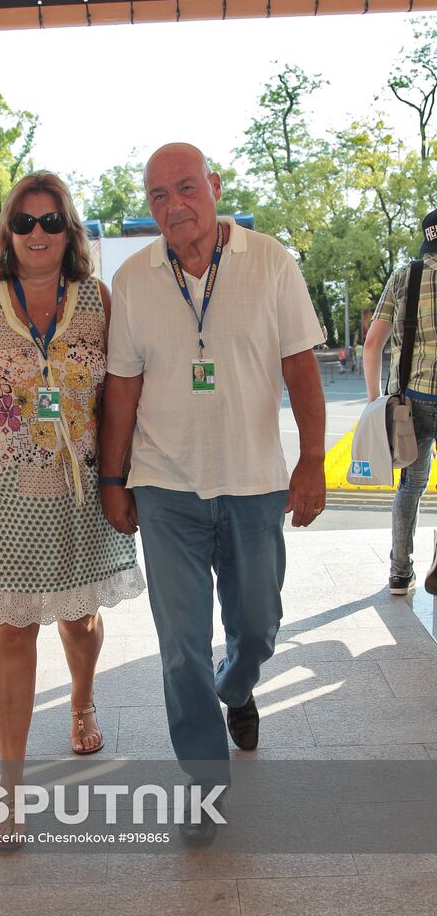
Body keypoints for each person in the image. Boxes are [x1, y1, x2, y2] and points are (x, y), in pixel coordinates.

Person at [100, 143, 325, 843]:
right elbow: (122, 391)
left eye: (186, 188)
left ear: (215, 187)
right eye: (158, 195)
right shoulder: (135, 279)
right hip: (165, 487)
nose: (174, 206)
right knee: (179, 647)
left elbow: (300, 367)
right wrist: (114, 479)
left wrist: (312, 460)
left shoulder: (271, 262)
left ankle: (239, 685)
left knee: (257, 627)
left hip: (255, 484)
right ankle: (203, 786)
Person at [0, 171, 144, 847]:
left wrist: (121, 477)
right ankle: (11, 783)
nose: (36, 234)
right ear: (8, 230)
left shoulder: (97, 299)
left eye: (51, 222)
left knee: (79, 619)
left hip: (79, 485)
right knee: (10, 627)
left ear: (69, 231)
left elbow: (120, 395)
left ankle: (82, 700)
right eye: (24, 222)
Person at [363, 209, 437, 594]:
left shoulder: (404, 276)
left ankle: (399, 571)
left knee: (411, 485)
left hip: (412, 401)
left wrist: (375, 399)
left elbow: (373, 342)